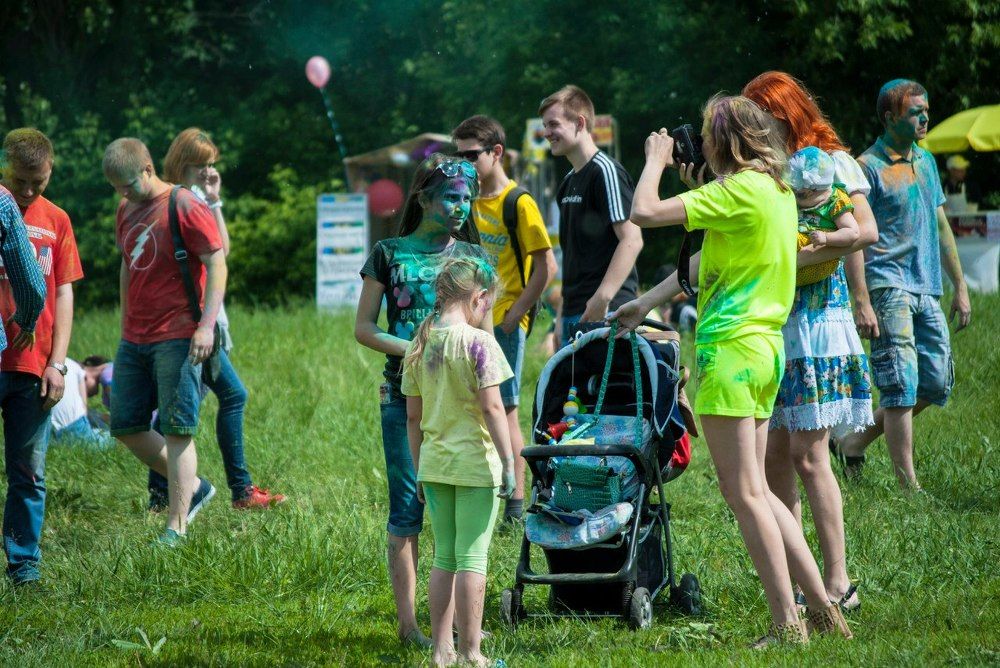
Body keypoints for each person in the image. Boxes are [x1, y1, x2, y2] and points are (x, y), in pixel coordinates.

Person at [613, 95, 851, 646]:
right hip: (766, 351)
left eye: (705, 137)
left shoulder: (735, 191)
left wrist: (655, 159)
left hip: (730, 352)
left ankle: (786, 623)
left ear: (725, 143)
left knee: (743, 493)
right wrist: (644, 302)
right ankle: (823, 609)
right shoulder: (776, 191)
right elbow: (706, 260)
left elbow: (643, 212)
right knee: (760, 490)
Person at [743, 71, 880, 614]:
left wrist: (857, 293)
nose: (757, 128)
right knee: (775, 455)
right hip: (775, 323)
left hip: (819, 322)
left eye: (763, 117)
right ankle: (800, 583)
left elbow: (863, 233)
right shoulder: (764, 170)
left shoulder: (834, 163)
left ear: (786, 113)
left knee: (808, 454)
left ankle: (839, 581)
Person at [355, 154, 488, 647]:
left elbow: (483, 337)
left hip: (461, 402)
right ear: (424, 198)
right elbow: (364, 328)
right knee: (408, 507)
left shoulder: (474, 258)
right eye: (451, 196)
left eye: (466, 197)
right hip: (403, 398)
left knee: (460, 516)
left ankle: (457, 626)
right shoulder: (388, 253)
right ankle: (409, 627)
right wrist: (416, 347)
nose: (461, 206)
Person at [835, 79, 972, 489]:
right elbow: (853, 238)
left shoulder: (926, 162)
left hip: (927, 286)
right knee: (899, 385)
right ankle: (907, 486)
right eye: (915, 112)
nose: (924, 118)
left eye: (925, 110)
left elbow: (941, 225)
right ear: (889, 117)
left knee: (937, 381)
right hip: (887, 286)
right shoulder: (866, 167)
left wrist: (960, 286)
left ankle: (853, 441)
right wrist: (861, 300)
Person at [103, 137, 227, 545]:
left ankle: (177, 525)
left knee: (177, 429)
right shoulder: (125, 209)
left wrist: (206, 326)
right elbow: (127, 265)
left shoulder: (183, 204)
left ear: (148, 169)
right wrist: (125, 321)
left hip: (178, 334)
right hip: (134, 337)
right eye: (116, 188)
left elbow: (216, 261)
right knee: (124, 425)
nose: (123, 194)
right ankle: (195, 487)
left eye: (128, 185)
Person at [153, 127, 285, 510]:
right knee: (218, 399)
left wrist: (214, 200)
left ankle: (164, 493)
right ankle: (234, 492)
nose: (209, 171)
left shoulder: (195, 199)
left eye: (212, 164)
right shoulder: (176, 202)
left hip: (207, 322)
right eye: (203, 164)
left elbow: (221, 250)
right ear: (184, 163)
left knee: (187, 404)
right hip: (193, 324)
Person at [401, 256, 515, 667]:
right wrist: (509, 462)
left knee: (444, 557)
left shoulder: (420, 342)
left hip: (434, 466)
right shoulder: (479, 343)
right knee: (472, 558)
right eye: (488, 305)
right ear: (478, 297)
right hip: (474, 467)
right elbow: (494, 408)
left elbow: (412, 417)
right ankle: (471, 651)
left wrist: (419, 469)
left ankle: (440, 650)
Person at [452, 115, 557, 523]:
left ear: (496, 152)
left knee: (505, 408)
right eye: (458, 156)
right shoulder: (465, 201)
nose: (464, 163)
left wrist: (515, 314)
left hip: (504, 325)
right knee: (478, 408)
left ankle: (516, 504)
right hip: (470, 322)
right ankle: (484, 489)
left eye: (471, 155)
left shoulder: (518, 202)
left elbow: (546, 267)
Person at [2, 128, 85, 586]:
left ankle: (24, 567)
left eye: (39, 182)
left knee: (28, 473)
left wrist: (58, 363)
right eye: (20, 181)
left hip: (34, 366)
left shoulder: (57, 220)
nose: (29, 191)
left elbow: (64, 292)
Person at [539, 85, 643, 344]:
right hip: (573, 312)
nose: (546, 133)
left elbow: (632, 239)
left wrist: (602, 297)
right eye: (545, 126)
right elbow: (573, 257)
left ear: (580, 123)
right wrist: (561, 317)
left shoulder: (605, 171)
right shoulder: (567, 182)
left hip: (608, 311)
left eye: (553, 124)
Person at [0, 175, 48, 586]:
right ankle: (24, 568)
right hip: (11, 353)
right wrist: (27, 319)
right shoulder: (2, 202)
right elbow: (32, 282)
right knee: (25, 470)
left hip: (24, 371)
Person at [788, 147, 860, 254]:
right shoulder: (802, 198)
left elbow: (853, 232)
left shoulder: (834, 202)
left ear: (813, 192)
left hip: (819, 259)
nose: (794, 198)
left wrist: (826, 237)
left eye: (800, 195)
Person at [49, 358, 114, 450]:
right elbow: (85, 414)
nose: (92, 395)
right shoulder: (76, 368)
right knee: (121, 439)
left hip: (51, 433)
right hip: (74, 433)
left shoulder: (108, 370)